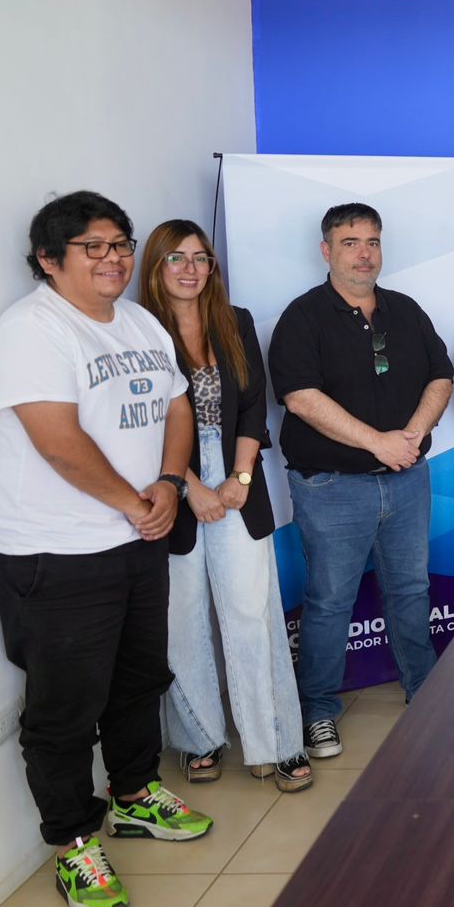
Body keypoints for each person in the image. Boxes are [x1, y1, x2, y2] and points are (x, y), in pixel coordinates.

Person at [0, 192, 212, 907]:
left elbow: (176, 406)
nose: (114, 258)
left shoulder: (140, 321)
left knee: (138, 680)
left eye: (121, 244)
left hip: (136, 541)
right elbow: (58, 441)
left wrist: (169, 483)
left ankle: (135, 794)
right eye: (94, 247)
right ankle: (74, 842)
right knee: (64, 709)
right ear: (49, 260)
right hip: (58, 553)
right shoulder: (31, 331)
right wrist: (133, 503)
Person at [268, 202, 454, 760]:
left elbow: (441, 375)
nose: (364, 253)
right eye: (350, 243)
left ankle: (426, 692)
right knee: (329, 601)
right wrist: (378, 442)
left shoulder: (405, 309)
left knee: (411, 589)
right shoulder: (302, 317)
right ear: (326, 250)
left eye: (372, 241)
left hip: (406, 479)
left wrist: (412, 435)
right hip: (332, 487)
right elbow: (300, 398)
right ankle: (318, 711)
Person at [137, 220, 311, 792]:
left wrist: (239, 477)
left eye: (200, 258)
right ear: (156, 267)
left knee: (251, 611)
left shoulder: (234, 321)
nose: (190, 269)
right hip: (169, 476)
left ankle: (275, 741)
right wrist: (191, 486)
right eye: (176, 258)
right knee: (183, 618)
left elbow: (254, 405)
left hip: (238, 469)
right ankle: (200, 739)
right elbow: (141, 425)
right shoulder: (136, 329)